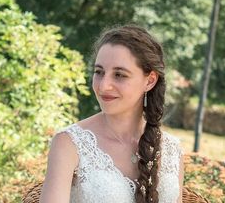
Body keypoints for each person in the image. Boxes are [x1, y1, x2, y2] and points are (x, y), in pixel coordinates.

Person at [40, 25, 184, 203]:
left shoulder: (171, 150)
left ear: (150, 81)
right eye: (99, 72)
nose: (103, 86)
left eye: (119, 75)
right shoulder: (69, 144)